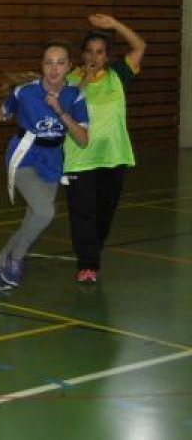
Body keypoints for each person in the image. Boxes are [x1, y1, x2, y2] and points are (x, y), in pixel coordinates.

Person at [0, 42, 89, 290]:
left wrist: (61, 111)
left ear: (69, 67)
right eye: (48, 63)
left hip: (52, 159)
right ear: (41, 66)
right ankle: (16, 259)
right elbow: (0, 114)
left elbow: (83, 139)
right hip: (23, 154)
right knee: (45, 212)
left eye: (60, 63)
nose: (54, 69)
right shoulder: (25, 92)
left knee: (34, 217)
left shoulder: (75, 96)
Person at [63, 14, 145, 283]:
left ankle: (92, 251)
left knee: (104, 213)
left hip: (113, 157)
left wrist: (115, 25)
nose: (94, 56)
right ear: (82, 54)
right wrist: (84, 80)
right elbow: (64, 108)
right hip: (79, 158)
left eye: (99, 52)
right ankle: (87, 264)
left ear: (106, 56)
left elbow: (140, 47)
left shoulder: (117, 76)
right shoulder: (69, 79)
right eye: (89, 51)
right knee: (82, 213)